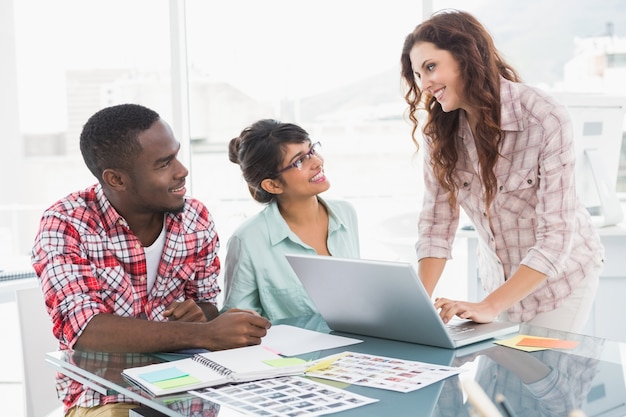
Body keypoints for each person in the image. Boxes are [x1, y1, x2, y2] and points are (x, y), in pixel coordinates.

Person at [31, 103, 271, 416]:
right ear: (117, 179)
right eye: (164, 163)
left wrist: (200, 315)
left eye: (177, 154)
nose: (182, 170)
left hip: (190, 391)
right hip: (105, 397)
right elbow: (87, 331)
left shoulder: (195, 217)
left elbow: (207, 304)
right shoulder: (67, 223)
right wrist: (205, 334)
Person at [399, 9, 604, 333]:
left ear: (466, 56)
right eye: (418, 74)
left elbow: (556, 238)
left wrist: (488, 306)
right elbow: (436, 225)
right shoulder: (438, 133)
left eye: (431, 67)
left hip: (560, 283)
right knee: (498, 380)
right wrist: (417, 308)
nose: (425, 84)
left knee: (547, 377)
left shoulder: (544, 118)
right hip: (498, 281)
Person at [221, 119, 360, 320]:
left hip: (357, 345)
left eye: (312, 150)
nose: (317, 162)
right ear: (273, 185)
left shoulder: (345, 213)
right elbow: (237, 322)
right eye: (299, 161)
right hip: (290, 351)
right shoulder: (248, 240)